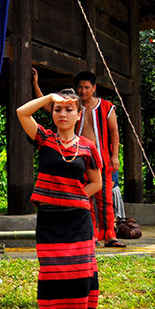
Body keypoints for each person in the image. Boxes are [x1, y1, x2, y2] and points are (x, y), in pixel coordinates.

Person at [17, 89, 102, 309]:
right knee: (55, 271)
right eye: (58, 110)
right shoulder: (44, 138)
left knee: (77, 272)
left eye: (69, 109)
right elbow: (22, 112)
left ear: (78, 115)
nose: (63, 113)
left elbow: (96, 183)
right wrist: (49, 98)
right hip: (49, 219)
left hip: (78, 219)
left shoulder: (88, 147)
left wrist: (74, 196)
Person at [34, 69, 124, 247]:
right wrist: (36, 85)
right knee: (84, 200)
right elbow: (47, 107)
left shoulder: (106, 107)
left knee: (104, 199)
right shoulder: (72, 106)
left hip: (101, 159)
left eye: (87, 87)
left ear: (94, 88)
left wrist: (115, 156)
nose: (83, 91)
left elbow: (114, 131)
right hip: (78, 158)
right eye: (80, 87)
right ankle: (90, 234)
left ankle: (109, 235)